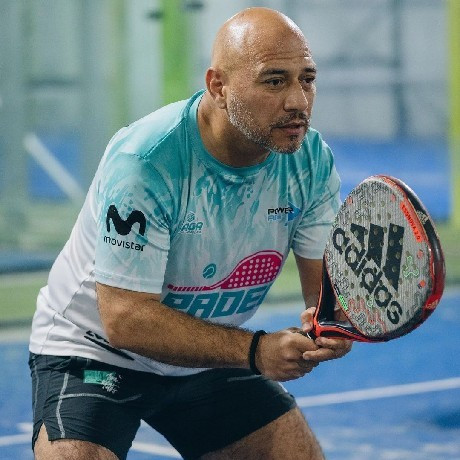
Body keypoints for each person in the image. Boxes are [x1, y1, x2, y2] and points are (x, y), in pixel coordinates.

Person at [29, 7, 352, 460]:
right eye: (275, 81)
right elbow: (124, 318)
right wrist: (258, 350)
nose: (298, 100)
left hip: (207, 351)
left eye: (308, 79)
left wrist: (333, 323)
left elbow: (325, 295)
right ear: (218, 86)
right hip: (95, 352)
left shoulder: (310, 160)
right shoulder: (148, 161)